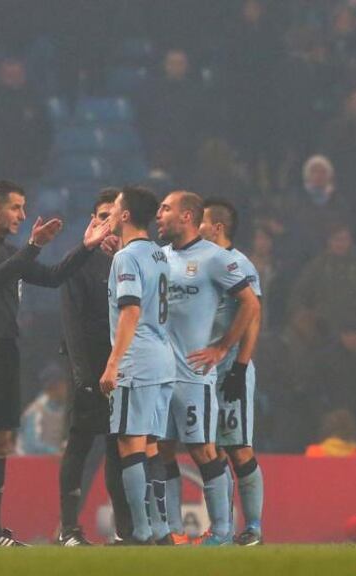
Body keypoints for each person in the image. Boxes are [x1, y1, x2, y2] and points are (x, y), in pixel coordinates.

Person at [0, 179, 111, 547]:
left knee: (1, 440)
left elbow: (53, 278)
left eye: (23, 208)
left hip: (6, 349)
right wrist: (34, 245)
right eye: (16, 208)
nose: (23, 215)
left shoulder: (8, 249)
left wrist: (85, 248)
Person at [155, 190, 261, 545]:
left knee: (205, 449)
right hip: (161, 374)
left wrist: (223, 348)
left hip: (195, 374)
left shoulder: (217, 258)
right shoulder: (160, 256)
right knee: (164, 448)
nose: (160, 214)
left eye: (166, 209)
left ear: (188, 216)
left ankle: (223, 531)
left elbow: (250, 306)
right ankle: (173, 530)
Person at [54, 189, 132, 546]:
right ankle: (68, 528)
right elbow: (70, 321)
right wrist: (82, 374)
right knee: (80, 446)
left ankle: (125, 530)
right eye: (101, 216)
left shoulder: (133, 260)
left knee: (120, 449)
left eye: (112, 216)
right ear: (92, 221)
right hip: (88, 369)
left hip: (125, 369)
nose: (107, 223)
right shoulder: (80, 262)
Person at [98, 186, 174, 546]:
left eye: (114, 207)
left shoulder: (125, 259)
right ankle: (160, 527)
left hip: (137, 359)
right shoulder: (159, 254)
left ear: (126, 215)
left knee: (130, 445)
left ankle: (140, 530)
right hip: (163, 358)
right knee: (152, 445)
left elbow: (130, 310)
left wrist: (113, 364)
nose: (110, 212)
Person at [199, 198, 265, 546]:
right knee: (209, 448)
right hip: (202, 369)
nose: (196, 226)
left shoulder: (240, 264)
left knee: (238, 446)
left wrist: (239, 365)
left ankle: (253, 527)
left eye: (202, 221)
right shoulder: (201, 261)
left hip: (229, 369)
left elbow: (253, 316)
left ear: (217, 227)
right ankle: (221, 530)